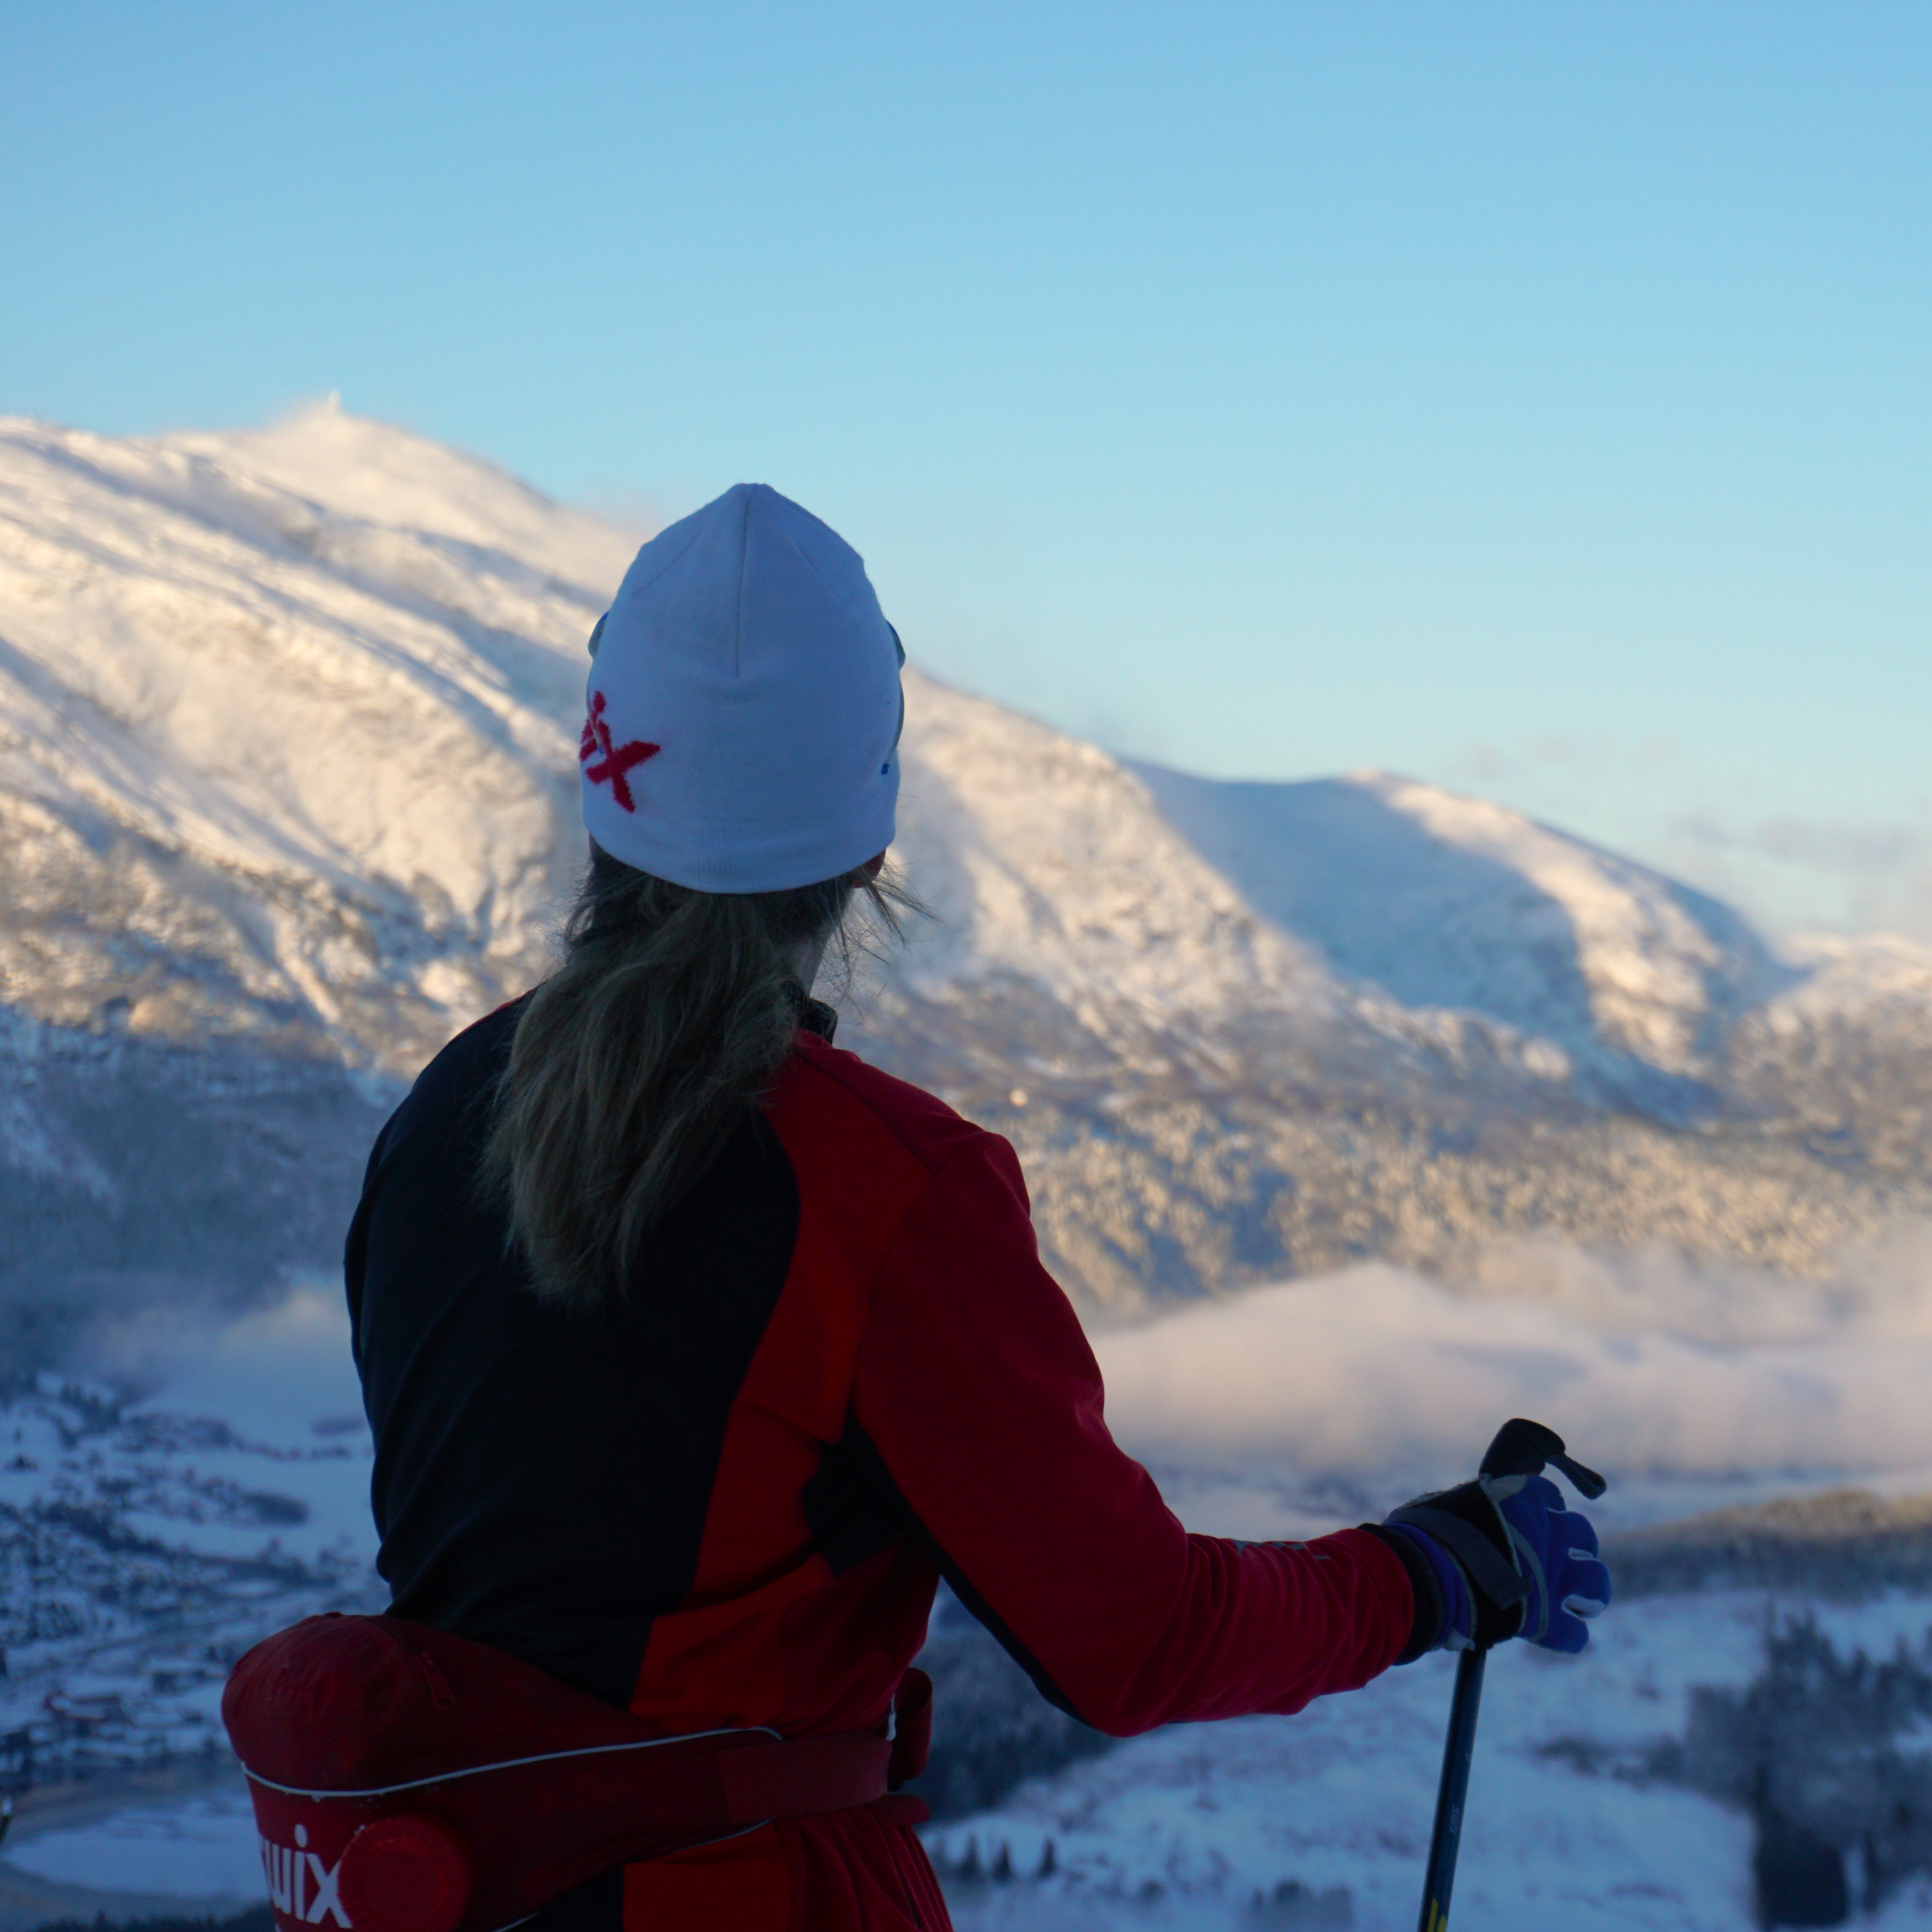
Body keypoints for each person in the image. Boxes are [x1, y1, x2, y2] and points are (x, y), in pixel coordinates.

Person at [343, 484, 1610, 1931]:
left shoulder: (442, 1121)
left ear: (601, 787)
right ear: (868, 848)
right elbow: (1138, 1638)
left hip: (444, 1893)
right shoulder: (883, 1191)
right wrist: (1433, 1573)